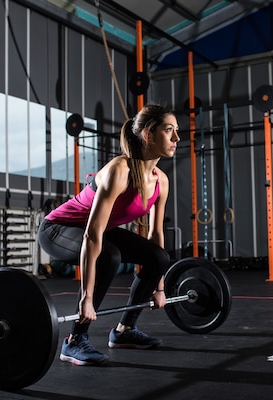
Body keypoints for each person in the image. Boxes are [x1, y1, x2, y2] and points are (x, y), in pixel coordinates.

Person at [38, 104, 180, 365]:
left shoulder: (161, 180)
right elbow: (92, 235)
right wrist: (86, 298)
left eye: (176, 131)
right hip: (57, 229)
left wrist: (160, 287)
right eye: (169, 130)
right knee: (109, 255)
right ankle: (75, 340)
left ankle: (125, 330)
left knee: (159, 256)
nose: (176, 138)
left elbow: (156, 233)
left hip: (99, 232)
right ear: (148, 134)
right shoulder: (119, 171)